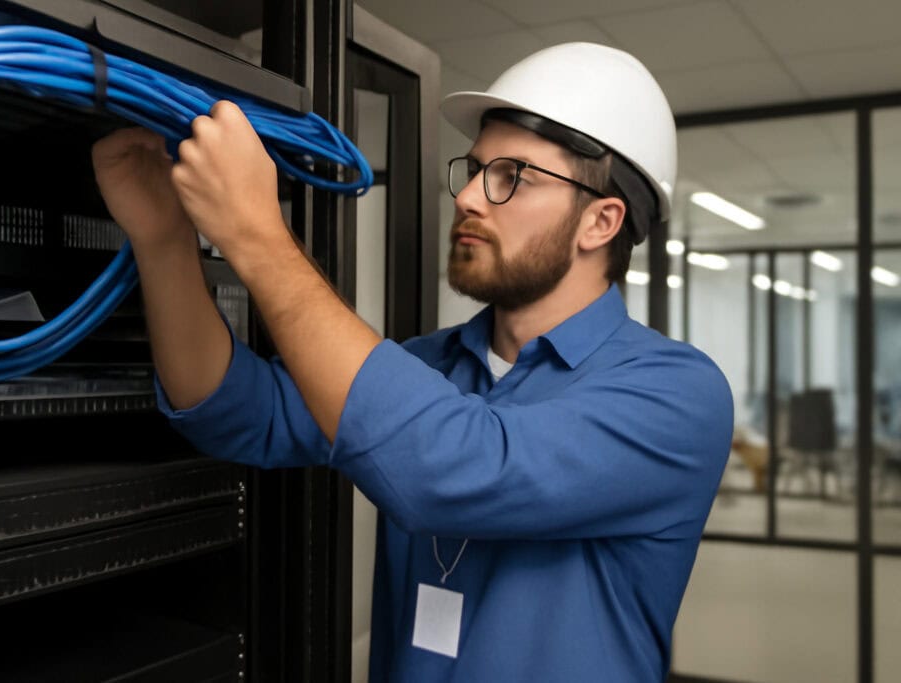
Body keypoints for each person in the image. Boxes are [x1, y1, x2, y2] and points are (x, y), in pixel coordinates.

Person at [92, 42, 733, 683]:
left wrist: (256, 233)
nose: (470, 198)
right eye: (476, 170)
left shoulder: (675, 394)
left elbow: (456, 466)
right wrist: (165, 239)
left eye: (511, 176)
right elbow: (236, 413)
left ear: (601, 221)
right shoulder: (428, 365)